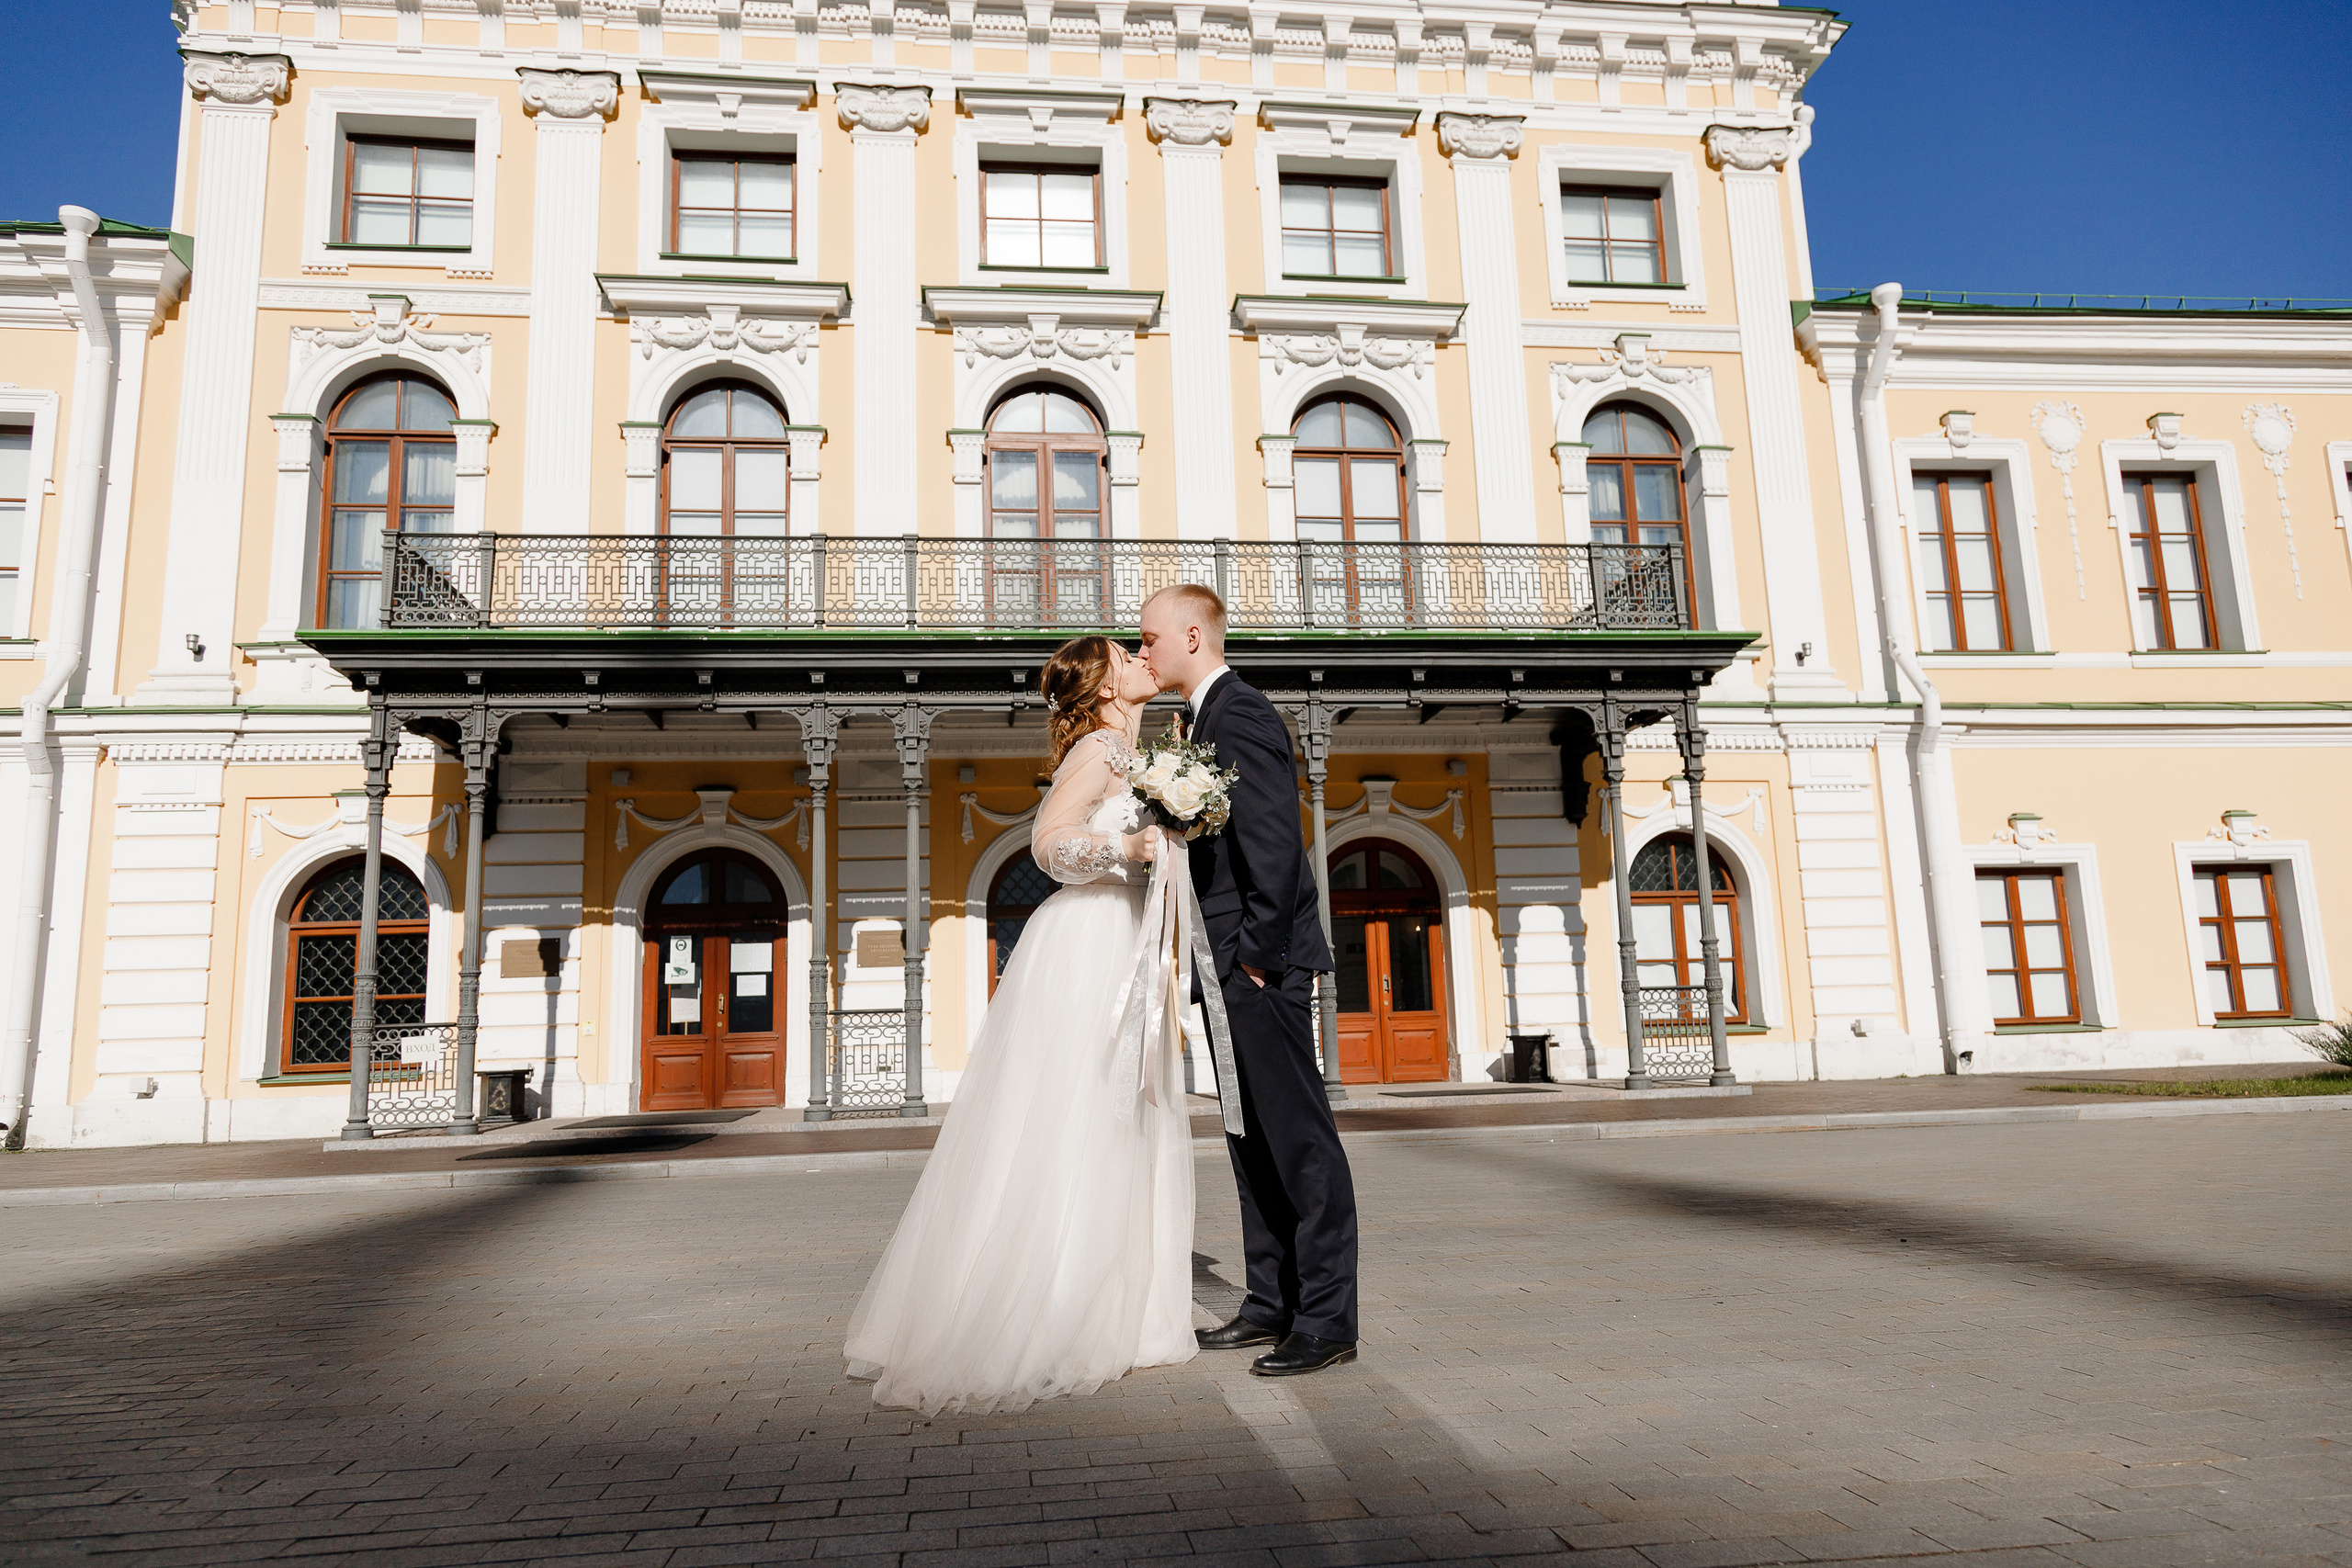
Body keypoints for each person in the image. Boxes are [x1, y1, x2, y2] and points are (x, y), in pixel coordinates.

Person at [842, 637, 1195, 1416]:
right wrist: (1127, 845)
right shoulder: (1103, 747)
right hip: (1089, 939)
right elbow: (1047, 841)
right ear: (1104, 687)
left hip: (1126, 933)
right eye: (1123, 654)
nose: (1141, 656)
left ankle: (1119, 1297)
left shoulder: (1138, 746)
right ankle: (1065, 1295)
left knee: (1121, 1111)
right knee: (1082, 1108)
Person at [1138, 583, 1360, 1377]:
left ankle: (1327, 1316)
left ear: (1193, 634)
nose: (1143, 653)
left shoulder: (1243, 714)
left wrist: (1261, 956)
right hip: (1221, 963)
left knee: (1298, 1139)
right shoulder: (1199, 721)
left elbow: (1272, 842)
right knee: (1248, 1136)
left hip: (1257, 964)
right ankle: (1270, 1300)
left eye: (1150, 638)